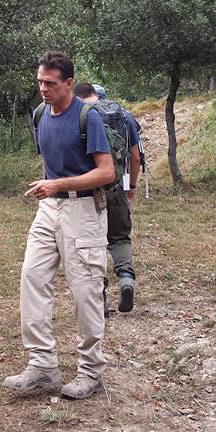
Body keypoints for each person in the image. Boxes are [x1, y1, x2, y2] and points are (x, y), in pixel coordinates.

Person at [3, 51, 115, 400]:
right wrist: (51, 187)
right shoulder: (40, 115)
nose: (43, 89)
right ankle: (42, 367)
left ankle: (91, 372)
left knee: (85, 291)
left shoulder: (88, 116)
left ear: (69, 83)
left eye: (50, 83)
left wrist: (58, 184)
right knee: (32, 278)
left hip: (83, 212)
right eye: (39, 81)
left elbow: (106, 172)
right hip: (48, 209)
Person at [73, 82, 140, 313]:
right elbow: (135, 156)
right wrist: (130, 184)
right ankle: (126, 279)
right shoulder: (122, 114)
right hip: (117, 188)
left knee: (93, 244)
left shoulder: (79, 116)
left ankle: (99, 299)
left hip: (87, 193)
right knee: (120, 238)